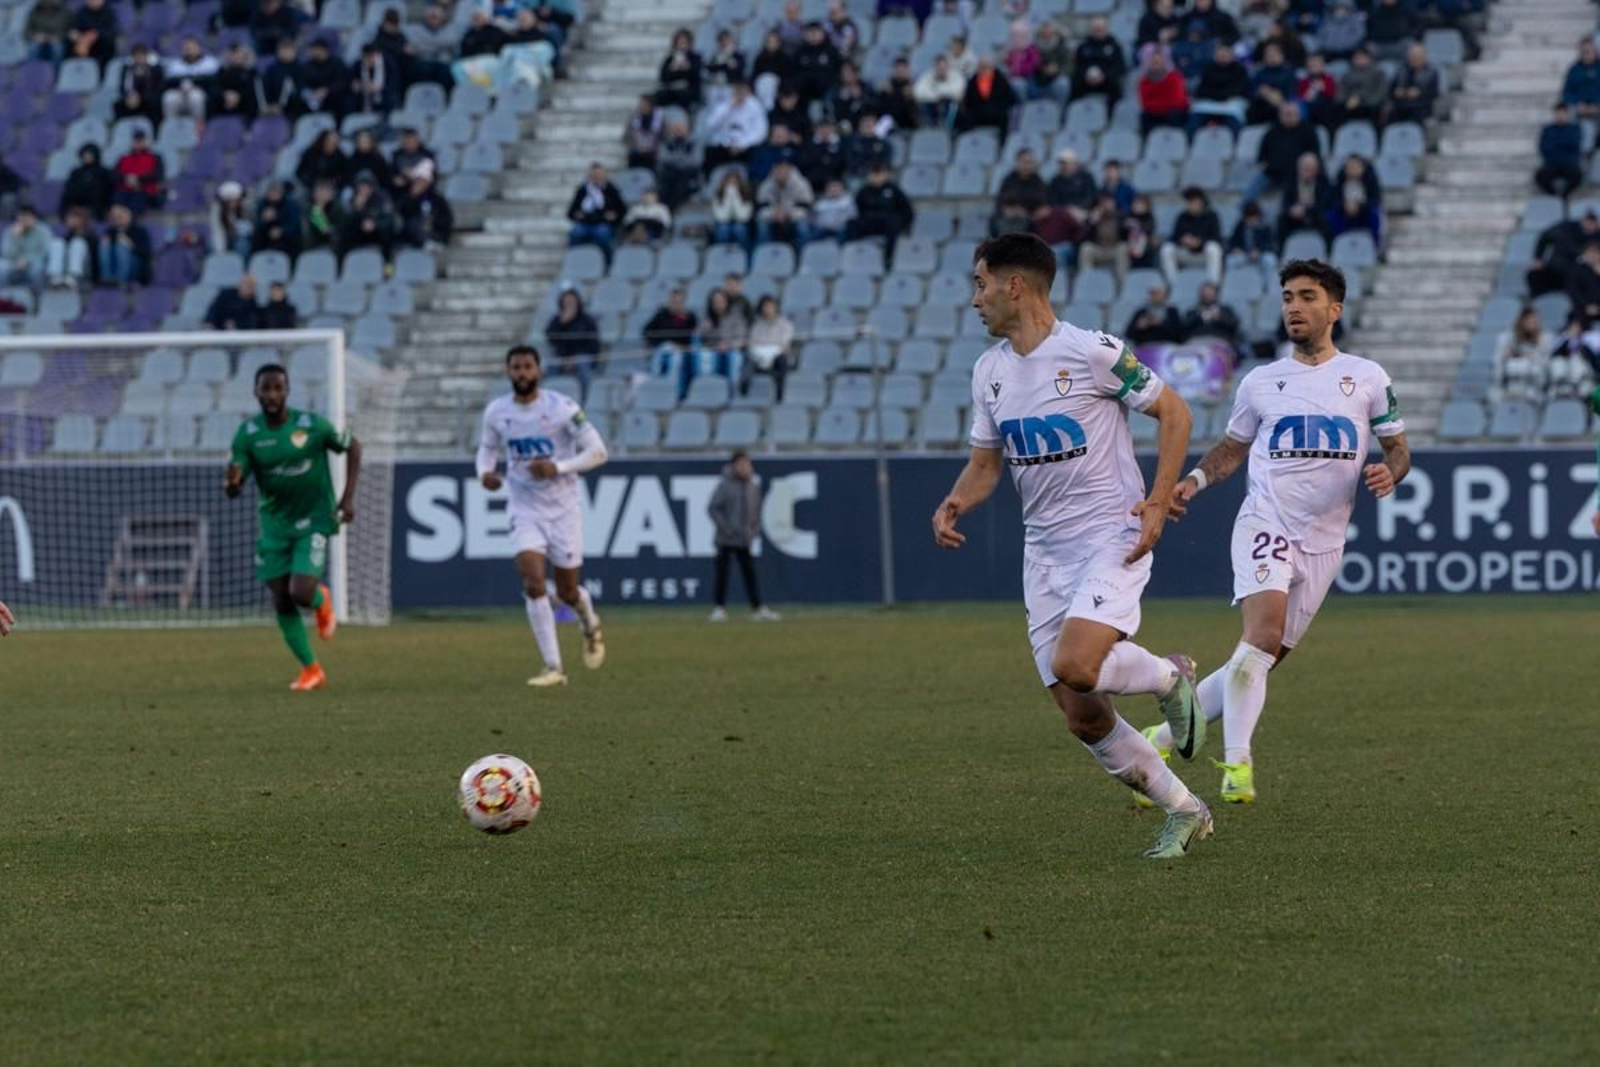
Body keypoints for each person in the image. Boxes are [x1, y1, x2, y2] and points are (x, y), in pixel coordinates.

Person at [931, 232, 1210, 860]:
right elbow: (985, 466)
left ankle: (1169, 677)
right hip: (1045, 556)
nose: (974, 299)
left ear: (1015, 285)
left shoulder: (1093, 352)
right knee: (1082, 715)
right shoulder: (990, 372)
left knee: (1076, 666)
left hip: (1111, 535)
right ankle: (1186, 810)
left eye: (980, 284)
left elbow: (1176, 413)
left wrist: (1158, 502)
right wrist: (955, 501)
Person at [1157, 259, 1408, 804]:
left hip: (1326, 539)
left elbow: (1398, 447)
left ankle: (1158, 738)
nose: (1294, 306)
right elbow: (1232, 448)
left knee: (1261, 657)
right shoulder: (1262, 381)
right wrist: (1194, 481)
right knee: (1262, 637)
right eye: (1289, 296)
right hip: (1265, 521)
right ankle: (1238, 765)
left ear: (1334, 309)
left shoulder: (1367, 378)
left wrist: (1392, 470)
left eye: (1308, 297)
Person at [476, 345, 608, 687]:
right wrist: (484, 472)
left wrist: (558, 467)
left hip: (563, 508)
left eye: (528, 367)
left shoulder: (562, 408)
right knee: (533, 581)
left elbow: (599, 452)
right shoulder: (497, 412)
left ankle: (590, 624)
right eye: (516, 367)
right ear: (508, 372)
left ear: (539, 370)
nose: (522, 373)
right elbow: (487, 447)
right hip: (524, 506)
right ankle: (553, 667)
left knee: (568, 591)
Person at [225, 363, 362, 691]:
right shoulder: (249, 434)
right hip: (274, 525)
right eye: (265, 389)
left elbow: (353, 446)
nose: (271, 394)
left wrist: (347, 499)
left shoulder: (311, 425)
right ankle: (311, 669)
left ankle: (319, 600)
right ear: (256, 393)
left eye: (277, 388)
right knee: (281, 600)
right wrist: (232, 484)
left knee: (300, 592)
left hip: (313, 519)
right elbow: (235, 481)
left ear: (287, 391)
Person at [708, 452, 780, 622]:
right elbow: (713, 508)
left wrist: (754, 531)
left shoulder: (752, 486)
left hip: (744, 539)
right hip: (726, 539)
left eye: (747, 464)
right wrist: (725, 528)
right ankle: (719, 608)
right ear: (734, 466)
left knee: (750, 574)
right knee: (722, 574)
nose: (745, 468)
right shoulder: (725, 486)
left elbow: (756, 512)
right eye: (741, 464)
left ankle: (758, 607)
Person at [1158, 186, 1224, 284]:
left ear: (1201, 202)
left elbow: (1216, 238)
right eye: (1188, 201)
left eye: (1193, 201)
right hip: (1186, 254)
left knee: (1214, 248)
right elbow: (1173, 238)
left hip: (1203, 255)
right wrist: (1183, 240)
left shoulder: (1211, 216)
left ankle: (1213, 284)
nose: (1190, 204)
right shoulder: (1182, 217)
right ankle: (1173, 283)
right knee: (1167, 249)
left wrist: (1200, 242)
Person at [565, 162, 626, 260]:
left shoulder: (612, 189)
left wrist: (614, 216)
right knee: (576, 232)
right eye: (594, 175)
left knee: (602, 234)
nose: (597, 177)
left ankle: (607, 261)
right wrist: (576, 215)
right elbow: (571, 212)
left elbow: (622, 210)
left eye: (599, 175)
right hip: (585, 222)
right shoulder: (583, 190)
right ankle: (574, 260)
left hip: (603, 223)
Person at [545, 288, 601, 393]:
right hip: (562, 356)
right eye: (566, 301)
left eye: (571, 301)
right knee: (551, 365)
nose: (569, 304)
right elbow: (551, 337)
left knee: (583, 367)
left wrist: (573, 359)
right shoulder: (557, 320)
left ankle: (586, 398)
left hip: (582, 355)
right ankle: (548, 398)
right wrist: (562, 323)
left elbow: (592, 344)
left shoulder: (587, 320)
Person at [747, 294, 794, 400]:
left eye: (770, 306)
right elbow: (753, 343)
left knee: (782, 360)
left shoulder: (785, 325)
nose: (768, 309)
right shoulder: (757, 326)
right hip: (760, 358)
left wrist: (769, 349)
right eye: (765, 306)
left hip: (778, 357)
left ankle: (779, 395)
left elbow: (784, 345)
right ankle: (743, 391)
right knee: (747, 360)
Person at [1537, 102, 1583, 199]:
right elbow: (1543, 147)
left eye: (1563, 113)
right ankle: (1554, 196)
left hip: (1569, 163)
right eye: (1558, 113)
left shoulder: (1575, 129)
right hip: (1552, 163)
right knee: (1540, 176)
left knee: (1577, 175)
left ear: (1567, 114)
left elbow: (1575, 145)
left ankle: (1564, 195)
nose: (1561, 116)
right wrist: (1564, 144)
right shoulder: (1548, 130)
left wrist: (1556, 144)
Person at [2, 205, 51, 290]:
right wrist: (16, 238)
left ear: (34, 218)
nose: (24, 219)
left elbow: (45, 252)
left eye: (27, 216)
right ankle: (2, 298)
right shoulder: (10, 232)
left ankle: (36, 299)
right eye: (22, 216)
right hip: (14, 262)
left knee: (38, 268)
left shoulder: (43, 231)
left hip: (33, 262)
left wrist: (27, 260)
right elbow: (6, 252)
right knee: (2, 266)